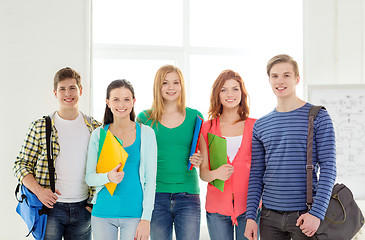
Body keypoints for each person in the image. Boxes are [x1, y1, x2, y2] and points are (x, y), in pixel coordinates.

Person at [244, 54, 336, 240]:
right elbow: (256, 174)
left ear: (297, 79)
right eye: (275, 76)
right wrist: (250, 216)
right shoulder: (261, 125)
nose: (280, 81)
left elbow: (329, 168)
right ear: (269, 80)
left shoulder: (318, 116)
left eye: (286, 75)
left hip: (305, 215)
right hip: (269, 217)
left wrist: (316, 214)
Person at [13, 67, 101, 240]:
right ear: (55, 93)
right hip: (50, 209)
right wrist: (39, 191)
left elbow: (104, 168)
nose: (68, 93)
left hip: (84, 209)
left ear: (80, 90)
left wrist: (93, 204)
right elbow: (21, 165)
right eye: (62, 89)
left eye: (72, 88)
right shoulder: (40, 126)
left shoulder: (95, 128)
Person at [136, 64, 204, 240]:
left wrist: (199, 160)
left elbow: (204, 158)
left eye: (176, 82)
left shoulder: (195, 117)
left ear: (182, 86)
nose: (171, 87)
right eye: (165, 83)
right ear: (158, 87)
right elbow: (137, 158)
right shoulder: (145, 118)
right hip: (155, 196)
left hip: (188, 195)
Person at [85, 79, 157, 240]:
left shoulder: (146, 134)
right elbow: (89, 178)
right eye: (116, 99)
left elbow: (151, 180)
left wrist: (146, 218)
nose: (121, 104)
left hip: (135, 214)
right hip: (103, 213)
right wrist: (108, 177)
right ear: (107, 103)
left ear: (133, 102)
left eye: (126, 99)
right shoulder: (98, 134)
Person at [200, 70, 257, 240]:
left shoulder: (255, 126)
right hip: (217, 208)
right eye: (224, 90)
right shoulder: (207, 127)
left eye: (235, 89)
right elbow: (203, 172)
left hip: (249, 208)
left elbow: (262, 170)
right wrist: (216, 174)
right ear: (217, 94)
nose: (230, 94)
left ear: (242, 93)